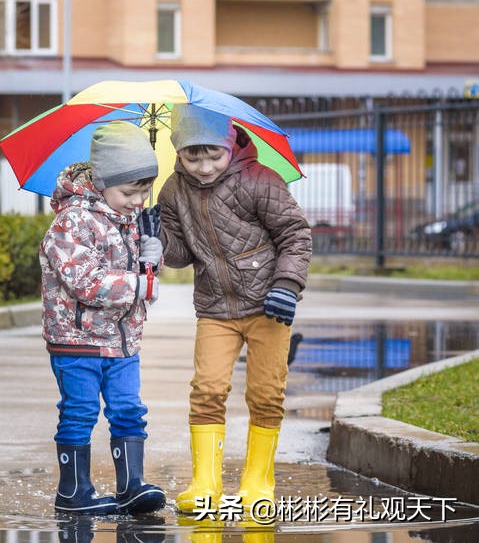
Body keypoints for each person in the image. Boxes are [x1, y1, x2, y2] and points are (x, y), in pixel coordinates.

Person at [155, 104, 312, 514]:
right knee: (206, 390)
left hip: (269, 306)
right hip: (215, 307)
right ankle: (204, 482)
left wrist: (287, 285)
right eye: (193, 156)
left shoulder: (261, 180)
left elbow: (295, 235)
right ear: (178, 151)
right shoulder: (172, 190)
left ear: (230, 145)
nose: (204, 166)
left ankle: (258, 481)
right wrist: (157, 242)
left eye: (214, 154)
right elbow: (180, 254)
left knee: (265, 394)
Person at [39, 120, 166, 516]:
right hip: (77, 341)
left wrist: (152, 254)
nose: (138, 200)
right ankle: (73, 491)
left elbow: (140, 275)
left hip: (123, 340)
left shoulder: (130, 218)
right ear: (103, 181)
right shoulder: (73, 220)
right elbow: (84, 281)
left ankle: (132, 485)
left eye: (144, 190)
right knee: (79, 411)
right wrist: (139, 285)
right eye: (130, 191)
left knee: (129, 408)